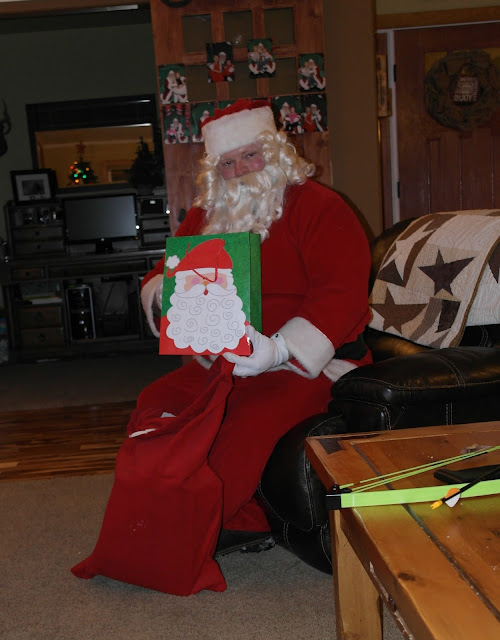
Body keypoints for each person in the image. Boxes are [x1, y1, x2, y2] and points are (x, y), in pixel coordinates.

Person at [73, 99, 372, 597]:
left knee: (246, 419)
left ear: (274, 150)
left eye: (251, 155)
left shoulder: (321, 207)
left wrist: (278, 350)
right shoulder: (208, 214)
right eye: (228, 162)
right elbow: (163, 274)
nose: (241, 170)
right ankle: (155, 528)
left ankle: (189, 535)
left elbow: (340, 294)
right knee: (157, 403)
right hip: (223, 362)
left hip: (306, 365)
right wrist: (171, 304)